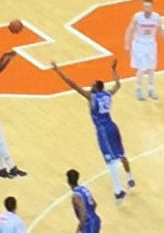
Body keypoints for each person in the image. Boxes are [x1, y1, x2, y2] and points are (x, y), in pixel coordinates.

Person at [51, 59, 134, 203]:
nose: (90, 85)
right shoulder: (108, 94)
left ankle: (117, 190)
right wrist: (114, 69)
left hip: (102, 129)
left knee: (109, 160)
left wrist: (58, 71)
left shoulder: (92, 97)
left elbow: (73, 85)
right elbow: (118, 84)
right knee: (121, 154)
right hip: (112, 125)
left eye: (93, 84)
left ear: (96, 88)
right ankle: (130, 178)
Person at [123, 0, 164, 101]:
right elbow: (129, 29)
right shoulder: (137, 17)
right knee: (142, 67)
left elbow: (161, 30)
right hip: (139, 44)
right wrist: (127, 43)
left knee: (151, 68)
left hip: (151, 44)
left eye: (148, 6)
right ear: (142, 7)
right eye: (145, 6)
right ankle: (138, 87)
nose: (146, 8)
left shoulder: (156, 17)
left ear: (152, 7)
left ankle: (151, 88)